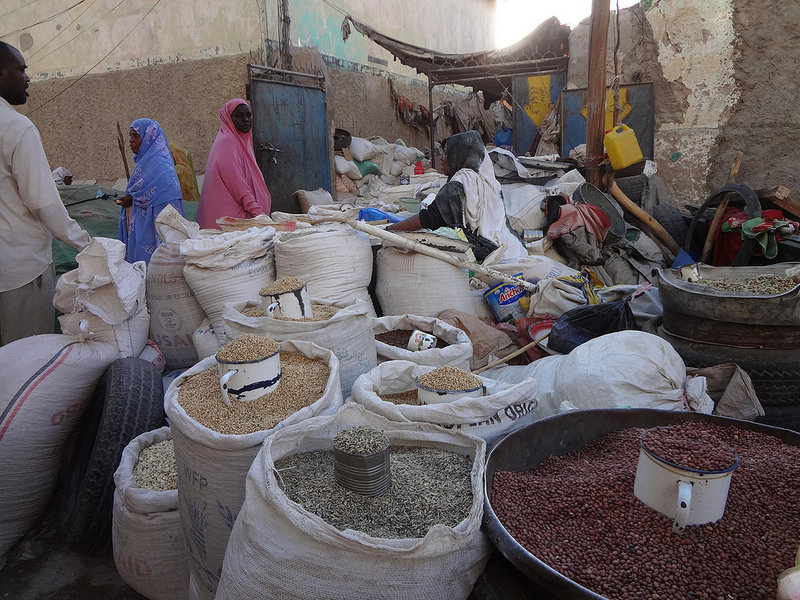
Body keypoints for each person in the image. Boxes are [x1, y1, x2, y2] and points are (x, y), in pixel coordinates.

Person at [0, 42, 91, 346]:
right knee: (24, 362)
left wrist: (50, 177)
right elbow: (42, 202)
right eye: (22, 70)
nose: (28, 79)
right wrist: (87, 244)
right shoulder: (17, 128)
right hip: (20, 273)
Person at [387, 130, 527, 263]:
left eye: (448, 153)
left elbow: (428, 219)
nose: (442, 158)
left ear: (459, 155)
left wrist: (388, 231)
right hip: (514, 250)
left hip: (492, 257)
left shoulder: (458, 186)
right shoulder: (490, 183)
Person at [116, 118, 184, 264]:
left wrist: (134, 198)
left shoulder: (160, 165)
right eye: (130, 135)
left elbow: (162, 195)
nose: (130, 141)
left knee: (158, 268)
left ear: (148, 137)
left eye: (136, 136)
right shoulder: (146, 162)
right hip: (144, 227)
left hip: (158, 230)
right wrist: (131, 198)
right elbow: (140, 192)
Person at [197, 99, 272, 229]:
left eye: (248, 115)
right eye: (239, 116)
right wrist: (257, 210)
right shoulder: (227, 142)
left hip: (238, 218)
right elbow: (236, 183)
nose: (246, 119)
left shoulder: (242, 143)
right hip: (229, 221)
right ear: (229, 119)